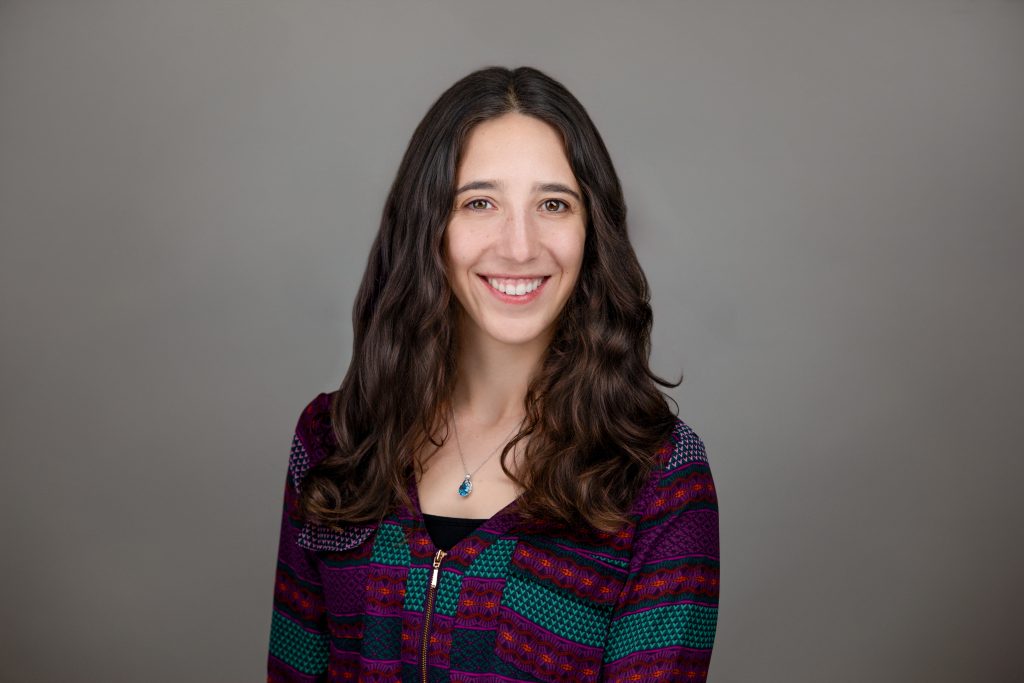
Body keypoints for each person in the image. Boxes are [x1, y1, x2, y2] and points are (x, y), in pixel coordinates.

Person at [268, 65, 719, 683]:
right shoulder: (334, 440)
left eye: (553, 204)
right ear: (430, 227)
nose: (518, 245)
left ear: (593, 232)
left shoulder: (657, 478)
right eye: (479, 202)